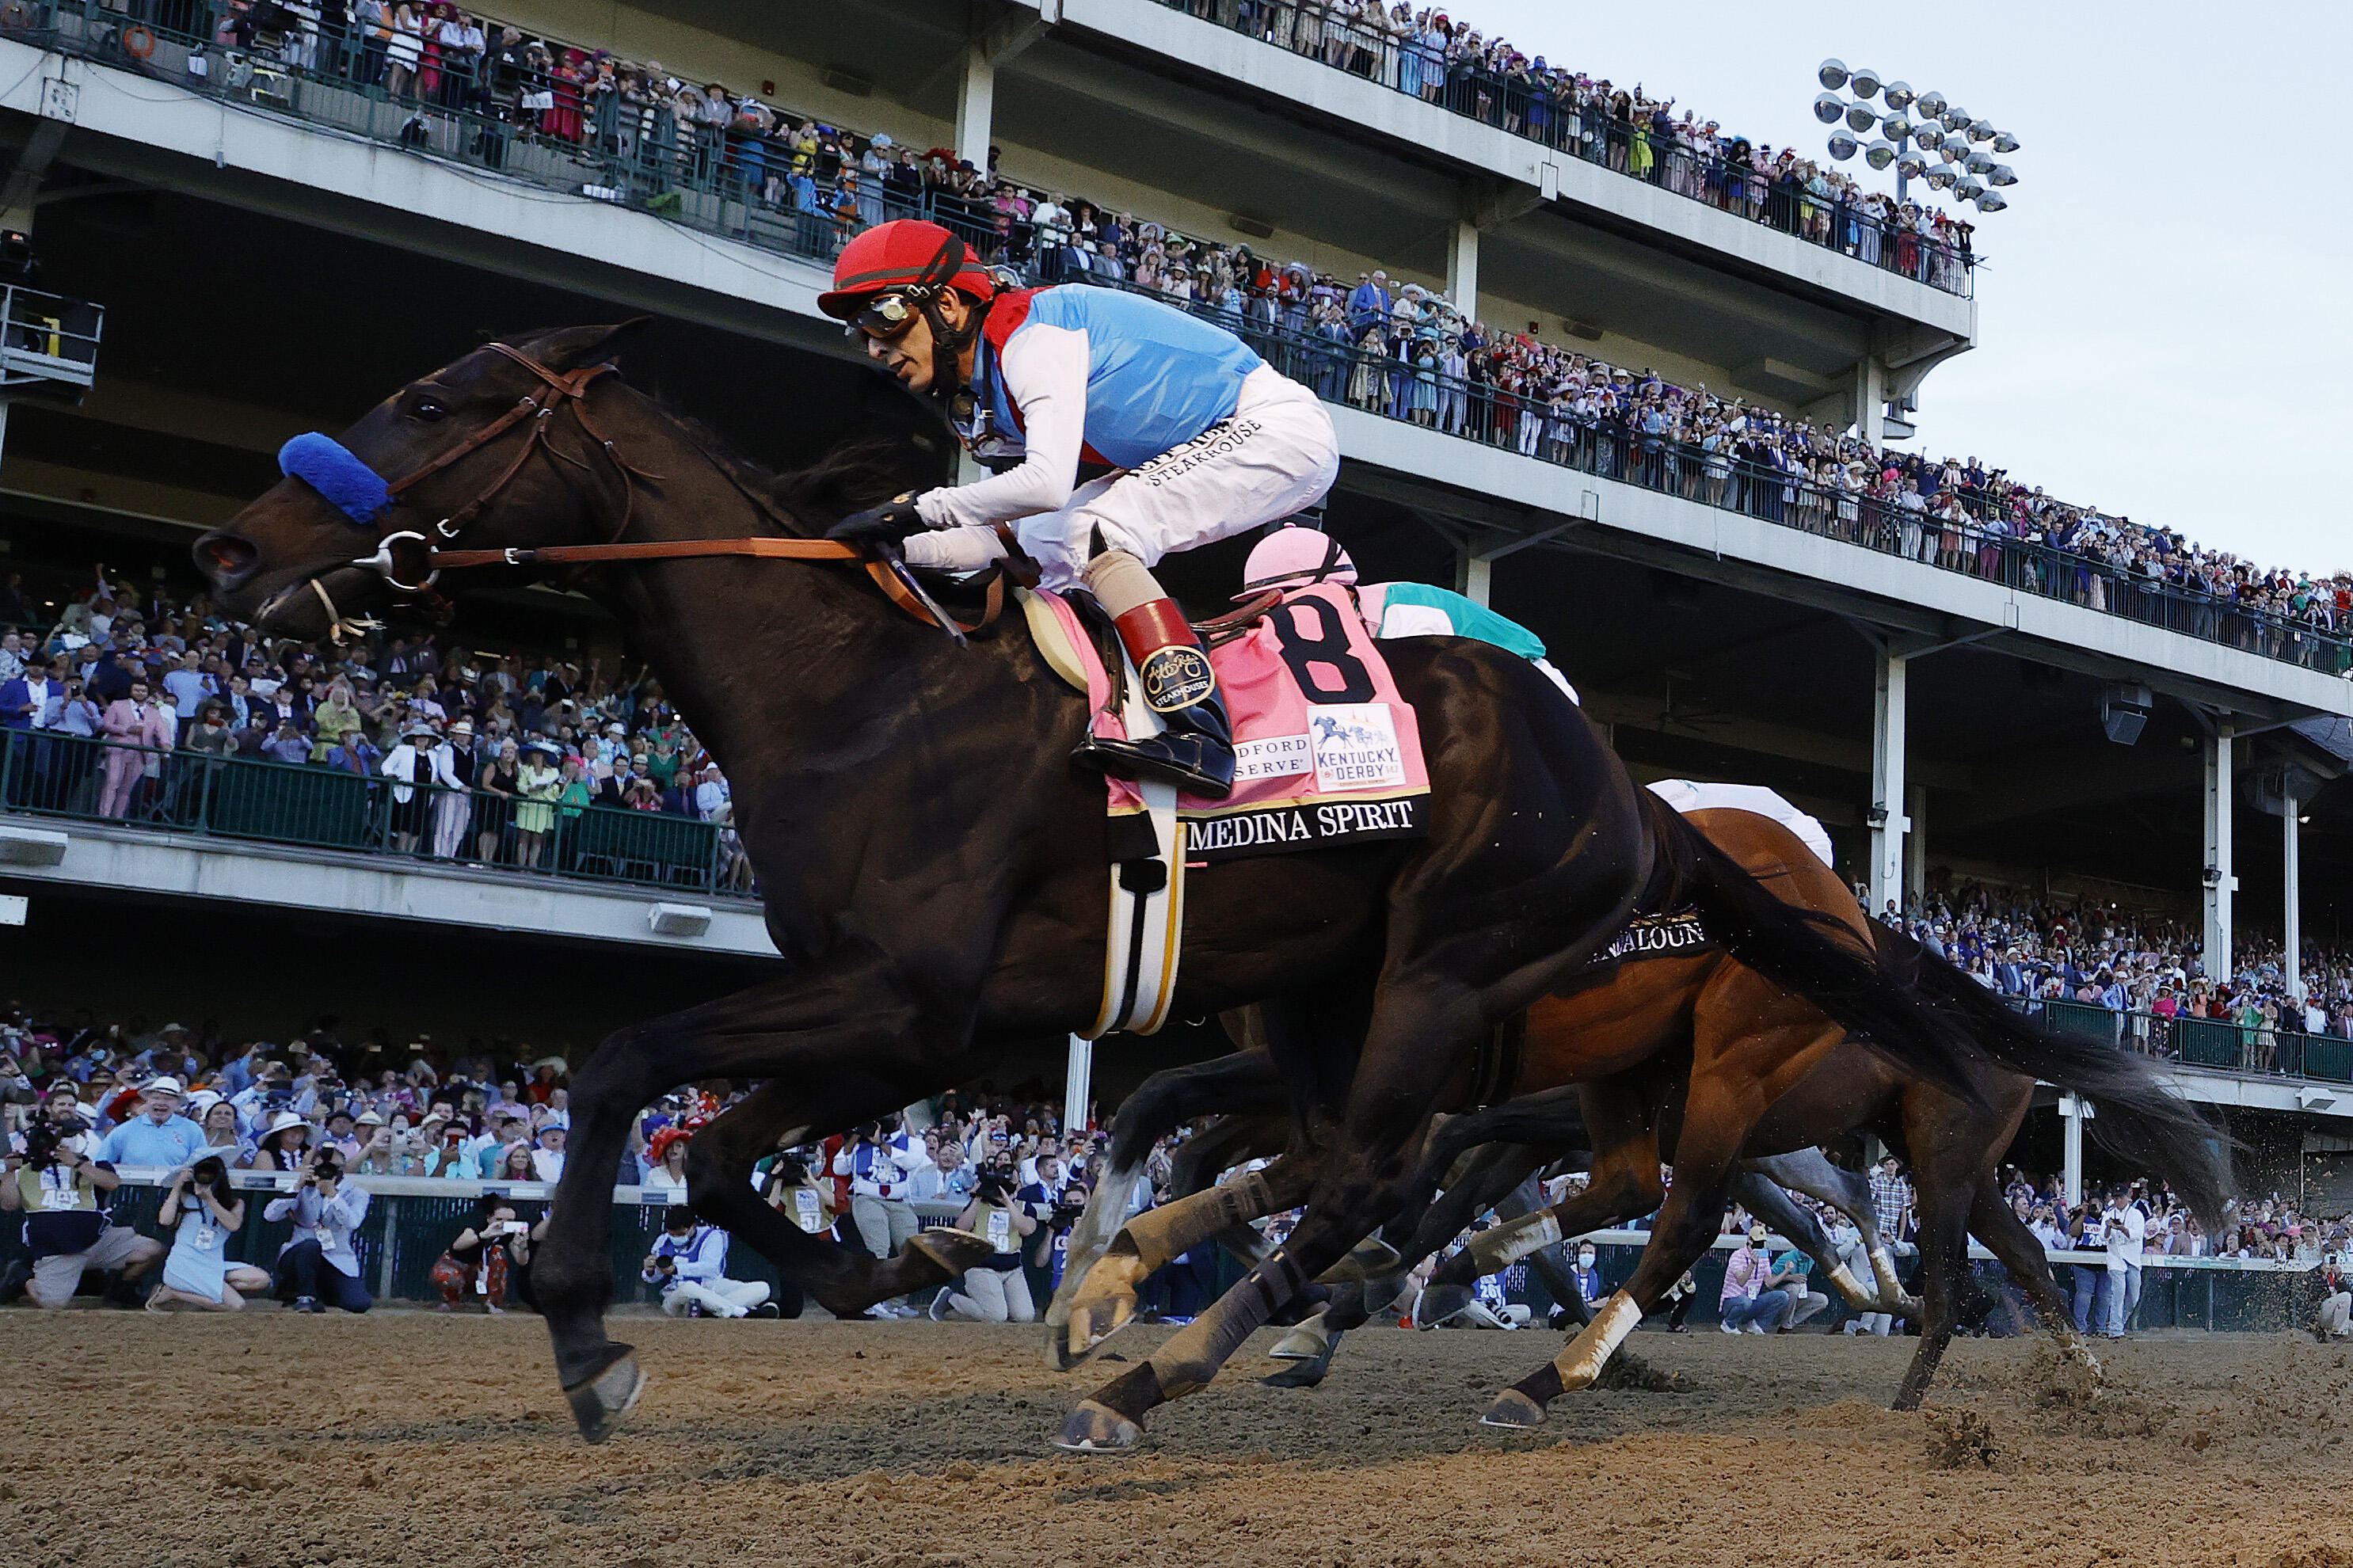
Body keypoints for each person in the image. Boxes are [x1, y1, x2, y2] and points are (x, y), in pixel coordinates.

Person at [818, 218, 1342, 797]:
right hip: (1214, 436)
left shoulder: (1031, 338)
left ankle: (1202, 731)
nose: (873, 344)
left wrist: (919, 508)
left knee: (1100, 530)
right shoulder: (989, 380)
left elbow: (1044, 483)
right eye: (856, 331)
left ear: (947, 303)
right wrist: (881, 548)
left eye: (881, 317)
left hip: (1273, 426)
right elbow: (1009, 535)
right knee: (1045, 543)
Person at [1235, 524, 1580, 702]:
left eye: (1282, 604)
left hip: (1539, 689)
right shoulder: (1355, 621)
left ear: (1329, 592)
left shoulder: (1405, 616)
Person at [1, 1117, 163, 1307]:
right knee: (52, 1304)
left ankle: (120, 1290)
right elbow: (9, 1205)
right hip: (59, 1250)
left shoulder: (91, 1164)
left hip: (99, 1240)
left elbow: (112, 1183)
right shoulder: (25, 1168)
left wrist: (76, 1163)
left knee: (152, 1249)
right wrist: (10, 1172)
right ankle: (22, 1276)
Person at [147, 1152, 272, 1311]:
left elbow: (233, 1225)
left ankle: (202, 1292)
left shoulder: (234, 1203)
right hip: (185, 1262)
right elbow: (165, 1220)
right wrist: (178, 1185)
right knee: (236, 1306)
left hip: (213, 1263)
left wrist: (210, 1199)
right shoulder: (186, 1197)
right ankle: (171, 1293)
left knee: (261, 1278)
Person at [263, 1147, 372, 1313]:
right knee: (311, 1246)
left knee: (359, 1303)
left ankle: (317, 1293)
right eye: (322, 1166)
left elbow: (353, 1223)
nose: (326, 1171)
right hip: (300, 1254)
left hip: (336, 1258)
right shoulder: (303, 1188)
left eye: (332, 1167)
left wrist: (333, 1195)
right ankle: (305, 1297)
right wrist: (296, 1186)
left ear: (342, 1169)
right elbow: (270, 1215)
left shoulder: (357, 1193)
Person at [928, 1163, 1038, 1323]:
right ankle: (950, 1298)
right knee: (996, 1316)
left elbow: (1027, 1229)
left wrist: (1008, 1202)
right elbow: (961, 1227)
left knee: (1025, 1316)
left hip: (1012, 1269)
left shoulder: (1023, 1206)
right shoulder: (980, 1204)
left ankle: (992, 1306)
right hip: (981, 1266)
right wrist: (979, 1196)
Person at [640, 1205, 779, 1318]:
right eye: (672, 1234)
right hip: (676, 1296)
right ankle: (743, 1312)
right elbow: (653, 1279)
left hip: (711, 1287)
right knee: (689, 1287)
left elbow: (711, 1268)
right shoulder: (662, 1241)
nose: (675, 1237)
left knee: (762, 1288)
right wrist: (650, 1271)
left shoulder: (711, 1236)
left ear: (693, 1226)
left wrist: (677, 1269)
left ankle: (711, 1310)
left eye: (680, 1234)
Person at [93, 1075, 210, 1169]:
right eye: (156, 1098)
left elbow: (202, 1166)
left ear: (177, 1104)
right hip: (134, 1192)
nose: (161, 1103)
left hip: (176, 1192)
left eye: (168, 1099)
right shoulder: (124, 1130)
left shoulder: (192, 1129)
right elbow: (102, 1163)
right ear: (147, 1101)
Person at [430, 1195, 518, 1313]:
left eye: (510, 1221)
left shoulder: (511, 1232)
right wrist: (483, 1235)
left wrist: (522, 1246)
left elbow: (522, 1260)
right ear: (489, 1218)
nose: (503, 1224)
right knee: (447, 1275)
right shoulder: (477, 1224)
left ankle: (490, 1303)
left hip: (482, 1271)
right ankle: (451, 1301)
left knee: (498, 1253)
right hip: (459, 1265)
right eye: (499, 1219)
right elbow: (457, 1245)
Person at [1718, 1223, 1788, 1333]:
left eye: (1762, 1243)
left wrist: (1786, 1271)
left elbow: (1769, 1283)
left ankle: (1757, 1325)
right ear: (1750, 1240)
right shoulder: (1737, 1256)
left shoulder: (1764, 1257)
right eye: (1757, 1242)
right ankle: (1729, 1324)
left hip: (1752, 1299)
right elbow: (1741, 1281)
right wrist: (1752, 1264)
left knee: (1782, 1296)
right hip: (1733, 1300)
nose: (1759, 1245)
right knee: (1745, 1301)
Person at [1769, 1241, 1831, 1331]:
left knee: (1822, 1300)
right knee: (1794, 1288)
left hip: (1797, 1296)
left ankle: (1789, 1324)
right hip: (1778, 1296)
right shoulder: (1788, 1258)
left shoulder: (1811, 1259)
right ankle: (1786, 1325)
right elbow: (1769, 1278)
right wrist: (1790, 1277)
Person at [2310, 1251, 2351, 1342]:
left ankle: (2336, 1334)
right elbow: (2313, 1293)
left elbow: (2348, 1294)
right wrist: (2322, 1276)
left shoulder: (2335, 1275)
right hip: (2320, 1311)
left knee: (2351, 1327)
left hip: (2335, 1314)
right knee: (2345, 1296)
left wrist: (2340, 1276)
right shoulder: (2315, 1273)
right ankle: (2337, 1333)